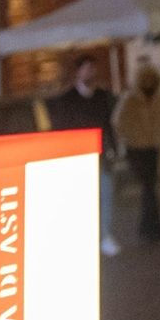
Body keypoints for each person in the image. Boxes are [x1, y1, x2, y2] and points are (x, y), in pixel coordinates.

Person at [47, 55, 121, 256]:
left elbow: (108, 125)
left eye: (92, 69)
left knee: (105, 197)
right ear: (78, 72)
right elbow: (61, 130)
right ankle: (83, 238)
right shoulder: (66, 100)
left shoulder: (101, 96)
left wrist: (113, 149)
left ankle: (104, 236)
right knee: (81, 200)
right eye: (87, 69)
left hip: (101, 156)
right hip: (78, 158)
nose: (90, 73)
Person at [112, 62, 160, 243]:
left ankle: (149, 229)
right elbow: (118, 121)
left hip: (152, 147)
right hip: (136, 148)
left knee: (149, 188)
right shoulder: (130, 98)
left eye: (151, 78)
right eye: (145, 78)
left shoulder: (159, 98)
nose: (149, 81)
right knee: (148, 187)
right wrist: (131, 137)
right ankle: (153, 229)